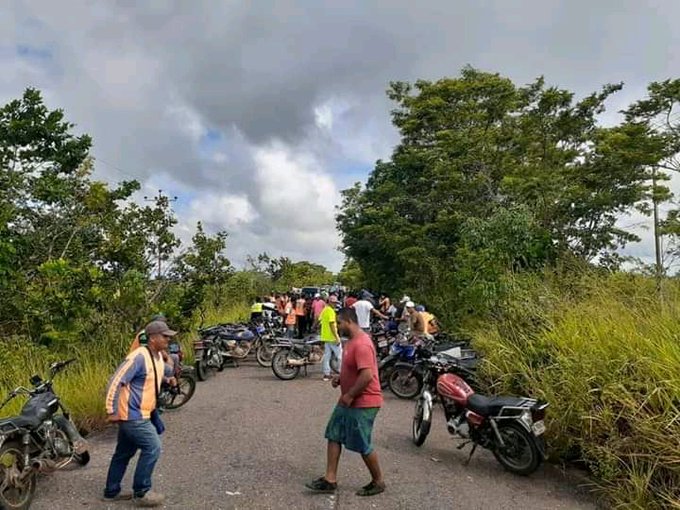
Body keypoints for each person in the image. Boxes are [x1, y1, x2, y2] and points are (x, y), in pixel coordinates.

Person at [305, 307, 385, 497]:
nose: (338, 327)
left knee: (362, 443)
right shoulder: (351, 342)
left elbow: (367, 375)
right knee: (334, 434)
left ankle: (378, 481)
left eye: (339, 323)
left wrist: (350, 395)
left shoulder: (362, 344)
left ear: (349, 321)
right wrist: (341, 378)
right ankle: (329, 479)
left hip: (363, 401)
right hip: (348, 399)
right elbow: (354, 369)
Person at [103, 320, 177, 507]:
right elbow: (115, 381)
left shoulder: (157, 356)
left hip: (144, 413)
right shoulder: (138, 357)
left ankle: (111, 491)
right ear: (152, 338)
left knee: (123, 453)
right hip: (132, 415)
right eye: (164, 336)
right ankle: (141, 491)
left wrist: (168, 379)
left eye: (169, 336)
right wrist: (111, 410)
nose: (168, 339)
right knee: (153, 447)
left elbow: (155, 375)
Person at [318, 295, 342, 382]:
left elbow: (319, 321)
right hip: (332, 337)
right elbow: (332, 325)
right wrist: (337, 337)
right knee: (340, 356)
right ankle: (342, 373)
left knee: (327, 356)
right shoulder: (331, 311)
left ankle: (326, 374)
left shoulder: (324, 310)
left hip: (325, 336)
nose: (335, 304)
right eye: (334, 303)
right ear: (330, 302)